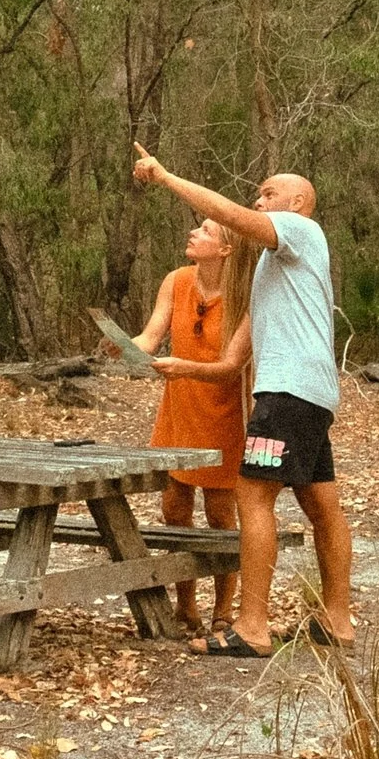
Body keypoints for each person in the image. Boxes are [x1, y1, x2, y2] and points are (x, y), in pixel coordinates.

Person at [130, 143, 353, 657]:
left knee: (251, 494)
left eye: (268, 193)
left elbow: (226, 213)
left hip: (287, 391)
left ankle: (251, 626)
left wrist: (166, 177)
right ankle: (337, 620)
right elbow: (232, 364)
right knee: (321, 504)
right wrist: (180, 367)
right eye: (256, 195)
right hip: (310, 395)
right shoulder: (269, 274)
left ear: (297, 203)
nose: (257, 202)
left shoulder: (301, 231)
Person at [123, 218, 260, 636]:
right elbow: (151, 337)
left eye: (205, 230)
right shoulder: (177, 280)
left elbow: (230, 368)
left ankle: (223, 610)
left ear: (225, 250)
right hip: (179, 410)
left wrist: (183, 367)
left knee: (221, 513)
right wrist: (126, 345)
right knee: (173, 508)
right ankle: (186, 606)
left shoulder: (247, 295)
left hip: (223, 411)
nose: (193, 233)